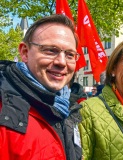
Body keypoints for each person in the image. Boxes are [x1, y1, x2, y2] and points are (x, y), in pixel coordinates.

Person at [0, 14, 82, 160]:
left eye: (70, 54)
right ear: (25, 52)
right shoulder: (3, 107)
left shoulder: (68, 108)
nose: (62, 62)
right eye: (51, 50)